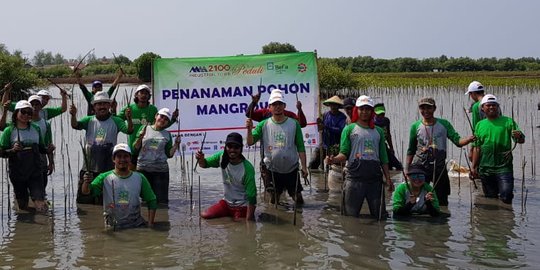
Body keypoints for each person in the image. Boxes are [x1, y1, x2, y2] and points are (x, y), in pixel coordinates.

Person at [325, 95, 394, 219]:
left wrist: (388, 178)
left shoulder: (378, 131)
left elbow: (383, 157)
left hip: (374, 179)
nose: (365, 112)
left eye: (368, 109)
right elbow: (344, 153)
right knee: (350, 217)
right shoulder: (349, 129)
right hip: (354, 178)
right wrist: (333, 160)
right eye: (362, 109)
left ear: (372, 111)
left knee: (380, 217)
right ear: (357, 110)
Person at [406, 97, 475, 206]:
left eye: (429, 108)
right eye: (422, 108)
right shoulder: (415, 126)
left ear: (434, 108)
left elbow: (458, 141)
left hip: (439, 167)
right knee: (419, 198)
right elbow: (411, 150)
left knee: (442, 200)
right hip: (421, 166)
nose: (426, 111)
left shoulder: (444, 124)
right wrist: (407, 169)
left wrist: (469, 139)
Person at [70, 91, 133, 204]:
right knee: (84, 200)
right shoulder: (89, 120)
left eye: (105, 104)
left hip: (107, 166)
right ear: (94, 107)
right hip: (89, 166)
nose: (102, 106)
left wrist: (129, 119)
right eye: (99, 104)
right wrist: (73, 115)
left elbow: (129, 131)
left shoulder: (116, 120)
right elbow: (75, 125)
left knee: (105, 200)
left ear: (109, 105)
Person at [246, 90, 308, 205]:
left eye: (280, 104)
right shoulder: (263, 124)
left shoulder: (294, 123)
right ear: (270, 107)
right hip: (272, 169)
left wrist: (304, 167)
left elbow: (300, 147)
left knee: (298, 199)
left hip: (292, 169)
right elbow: (250, 142)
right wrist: (249, 129)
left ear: (284, 106)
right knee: (274, 200)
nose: (277, 107)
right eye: (274, 104)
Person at [81, 143, 157, 229]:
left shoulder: (139, 178)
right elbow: (87, 192)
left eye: (125, 156)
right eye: (119, 156)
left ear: (130, 158)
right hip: (113, 226)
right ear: (113, 159)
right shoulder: (104, 177)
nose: (122, 159)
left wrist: (151, 224)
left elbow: (152, 200)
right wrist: (86, 182)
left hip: (135, 225)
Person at [470, 94, 525, 204]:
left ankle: (506, 216)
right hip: (485, 168)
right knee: (490, 198)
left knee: (506, 195)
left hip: (504, 167)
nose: (491, 107)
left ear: (498, 107)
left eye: (494, 105)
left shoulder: (508, 122)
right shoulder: (479, 125)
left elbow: (520, 140)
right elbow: (477, 148)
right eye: (488, 105)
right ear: (482, 108)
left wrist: (519, 136)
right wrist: (474, 167)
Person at [0, 101, 51, 212]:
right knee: (23, 206)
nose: (26, 115)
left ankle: (46, 227)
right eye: (23, 112)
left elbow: (41, 148)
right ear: (16, 113)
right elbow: (1, 152)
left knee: (41, 204)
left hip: (35, 172)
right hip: (17, 173)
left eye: (29, 113)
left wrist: (48, 150)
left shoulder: (36, 128)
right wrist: (12, 150)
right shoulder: (9, 130)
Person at [195, 132, 256, 221]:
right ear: (225, 147)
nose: (232, 150)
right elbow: (204, 164)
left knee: (239, 227)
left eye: (236, 147)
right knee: (205, 215)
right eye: (229, 146)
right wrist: (200, 159)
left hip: (242, 206)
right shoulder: (221, 157)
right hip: (226, 203)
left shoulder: (247, 168)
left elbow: (252, 196)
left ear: (241, 148)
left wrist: (249, 220)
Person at [118, 84, 178, 168]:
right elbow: (117, 121)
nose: (143, 95)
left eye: (146, 93)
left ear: (149, 96)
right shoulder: (128, 108)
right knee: (133, 176)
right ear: (136, 95)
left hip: (148, 151)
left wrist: (173, 120)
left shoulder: (153, 109)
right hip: (133, 149)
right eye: (141, 92)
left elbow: (159, 127)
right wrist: (126, 126)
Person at [132, 108, 181, 205]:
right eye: (161, 117)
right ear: (156, 116)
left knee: (162, 202)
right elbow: (135, 148)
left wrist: (176, 145)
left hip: (160, 171)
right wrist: (140, 137)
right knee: (145, 201)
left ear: (168, 122)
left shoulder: (167, 134)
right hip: (143, 169)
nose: (162, 120)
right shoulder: (144, 128)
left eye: (166, 119)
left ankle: (163, 218)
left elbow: (169, 154)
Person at [309, 95, 347, 170]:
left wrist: (326, 127)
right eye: (332, 104)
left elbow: (341, 130)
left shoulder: (342, 117)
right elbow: (320, 129)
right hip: (323, 144)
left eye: (335, 105)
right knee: (312, 165)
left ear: (338, 106)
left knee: (334, 168)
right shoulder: (325, 114)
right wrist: (318, 124)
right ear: (329, 105)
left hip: (335, 146)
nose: (333, 106)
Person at [28, 95, 55, 189]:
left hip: (41, 159)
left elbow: (49, 145)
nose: (34, 107)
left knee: (41, 187)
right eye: (32, 104)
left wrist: (51, 163)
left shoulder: (45, 124)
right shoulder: (22, 122)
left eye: (37, 104)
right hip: (26, 159)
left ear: (40, 106)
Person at [373, 103, 403, 170]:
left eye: (382, 114)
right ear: (374, 114)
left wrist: (391, 148)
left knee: (397, 166)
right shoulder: (371, 122)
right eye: (378, 115)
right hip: (375, 146)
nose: (381, 116)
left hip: (383, 145)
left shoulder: (386, 121)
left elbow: (388, 134)